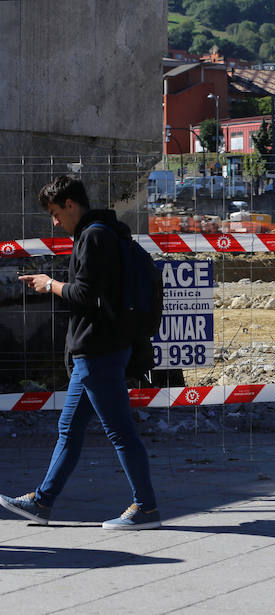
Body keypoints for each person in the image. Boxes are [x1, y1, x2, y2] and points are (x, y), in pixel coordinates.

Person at [0, 176, 160, 530]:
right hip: (101, 349)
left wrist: (50, 284)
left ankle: (146, 508)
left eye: (56, 213)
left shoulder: (93, 237)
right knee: (68, 429)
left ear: (71, 205)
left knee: (119, 431)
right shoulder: (106, 231)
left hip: (97, 350)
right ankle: (42, 501)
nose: (54, 222)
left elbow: (87, 294)